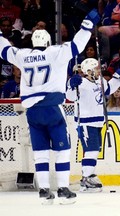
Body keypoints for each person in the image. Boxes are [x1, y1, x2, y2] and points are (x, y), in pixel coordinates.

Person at [0, 8, 101, 204]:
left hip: (32, 112)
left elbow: (3, 49)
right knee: (62, 150)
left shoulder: (22, 55)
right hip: (53, 108)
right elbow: (77, 45)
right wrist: (88, 24)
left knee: (40, 152)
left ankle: (44, 191)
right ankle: (63, 188)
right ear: (47, 42)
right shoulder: (56, 52)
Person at [66, 58, 120, 192]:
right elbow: (70, 96)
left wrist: (117, 77)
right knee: (91, 150)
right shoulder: (81, 82)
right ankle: (86, 178)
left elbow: (108, 89)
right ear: (89, 71)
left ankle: (89, 174)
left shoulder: (100, 81)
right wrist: (71, 84)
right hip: (85, 122)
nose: (99, 71)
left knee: (95, 150)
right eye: (97, 69)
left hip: (98, 122)